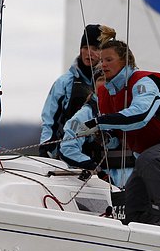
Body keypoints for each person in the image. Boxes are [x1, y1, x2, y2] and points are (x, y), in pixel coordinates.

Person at [78, 37, 160, 228]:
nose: (103, 64)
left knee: (148, 160)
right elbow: (116, 138)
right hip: (147, 157)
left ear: (125, 61)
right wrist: (105, 136)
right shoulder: (105, 94)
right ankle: (151, 227)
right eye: (101, 60)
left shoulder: (144, 82)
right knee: (132, 209)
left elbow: (140, 115)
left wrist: (100, 121)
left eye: (109, 59)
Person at [39, 24, 113, 158]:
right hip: (73, 155)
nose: (89, 53)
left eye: (95, 48)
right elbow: (50, 121)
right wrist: (46, 149)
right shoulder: (65, 82)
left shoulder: (116, 81)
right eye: (85, 48)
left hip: (108, 157)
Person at [59, 70, 134, 187]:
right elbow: (68, 148)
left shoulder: (134, 109)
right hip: (104, 183)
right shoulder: (85, 114)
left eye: (109, 78)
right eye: (100, 79)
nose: (105, 82)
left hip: (136, 180)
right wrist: (98, 172)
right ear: (93, 86)